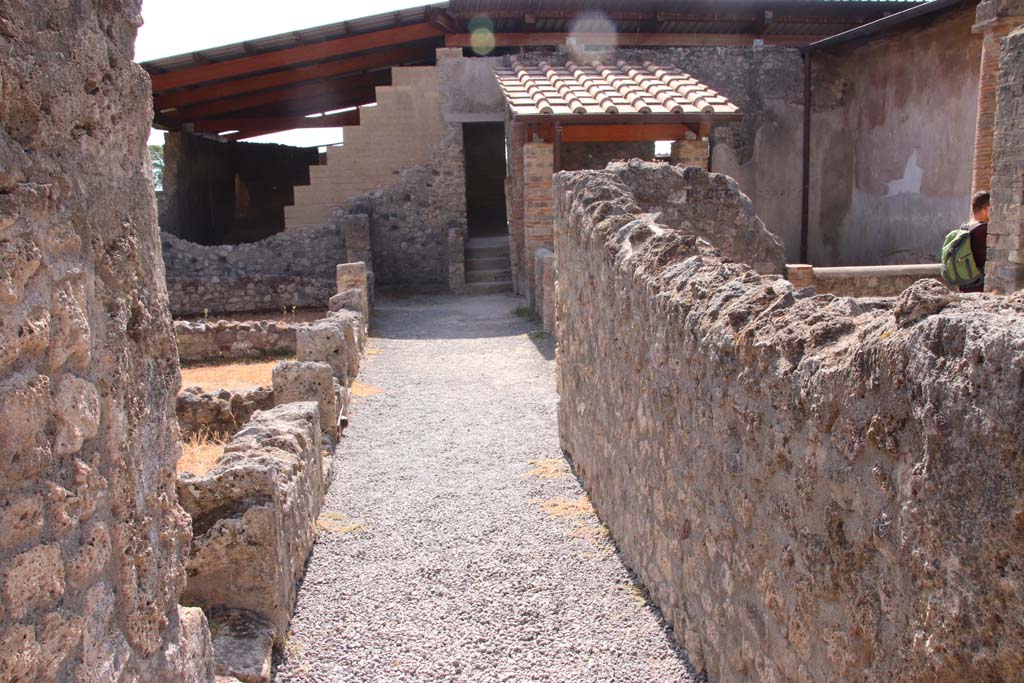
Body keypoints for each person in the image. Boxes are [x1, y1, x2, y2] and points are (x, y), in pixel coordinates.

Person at [960, 191, 990, 293]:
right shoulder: (984, 230)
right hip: (979, 285)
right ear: (987, 208)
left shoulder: (964, 227)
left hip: (964, 283)